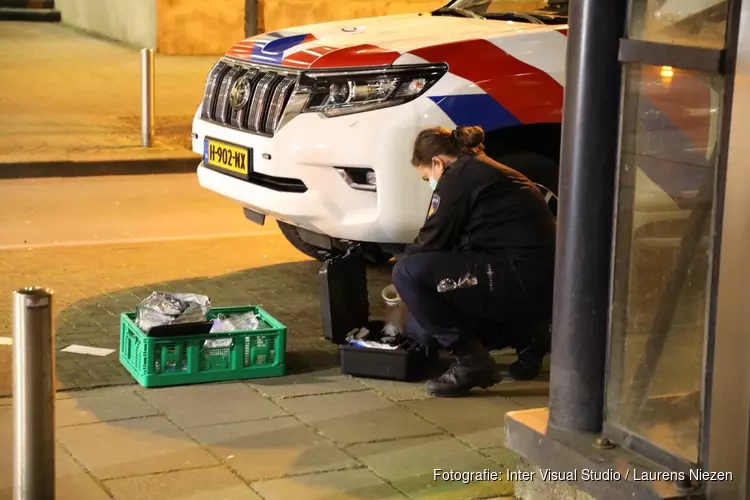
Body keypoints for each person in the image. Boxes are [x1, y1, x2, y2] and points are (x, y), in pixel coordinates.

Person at [392, 125, 556, 397]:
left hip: (518, 275)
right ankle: (528, 334)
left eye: (426, 178)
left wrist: (403, 289)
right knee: (422, 326)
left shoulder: (459, 176)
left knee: (407, 274)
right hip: (535, 280)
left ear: (437, 162)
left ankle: (471, 361)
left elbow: (432, 239)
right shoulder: (481, 168)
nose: (431, 183)